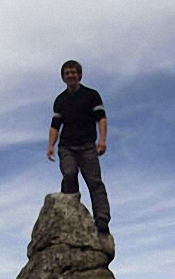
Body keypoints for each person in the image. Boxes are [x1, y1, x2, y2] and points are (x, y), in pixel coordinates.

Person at [46, 60, 111, 234]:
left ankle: (102, 220)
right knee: (69, 174)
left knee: (95, 183)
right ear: (63, 77)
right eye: (67, 73)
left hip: (88, 146)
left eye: (73, 72)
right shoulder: (60, 100)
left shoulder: (91, 95)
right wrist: (50, 146)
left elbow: (101, 118)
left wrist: (102, 141)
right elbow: (55, 125)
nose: (70, 75)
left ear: (79, 75)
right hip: (67, 147)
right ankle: (70, 216)